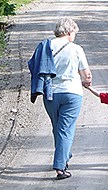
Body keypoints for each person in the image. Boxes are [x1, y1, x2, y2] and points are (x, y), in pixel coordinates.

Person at [29, 18, 92, 180]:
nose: (74, 36)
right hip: (72, 93)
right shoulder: (76, 49)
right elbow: (86, 75)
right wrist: (87, 82)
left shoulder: (45, 46)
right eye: (74, 33)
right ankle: (60, 167)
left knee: (58, 128)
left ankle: (63, 155)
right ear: (69, 32)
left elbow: (34, 66)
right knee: (66, 129)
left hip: (50, 93)